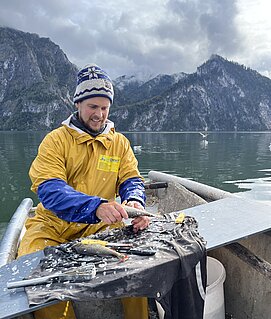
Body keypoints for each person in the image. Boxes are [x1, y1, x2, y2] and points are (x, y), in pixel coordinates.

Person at [18, 64, 150, 319]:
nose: (99, 114)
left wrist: (135, 203)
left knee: (135, 267)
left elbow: (131, 179)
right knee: (39, 278)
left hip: (100, 226)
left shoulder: (119, 143)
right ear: (78, 104)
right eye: (93, 107)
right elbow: (50, 190)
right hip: (52, 227)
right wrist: (97, 206)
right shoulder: (56, 140)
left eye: (104, 107)